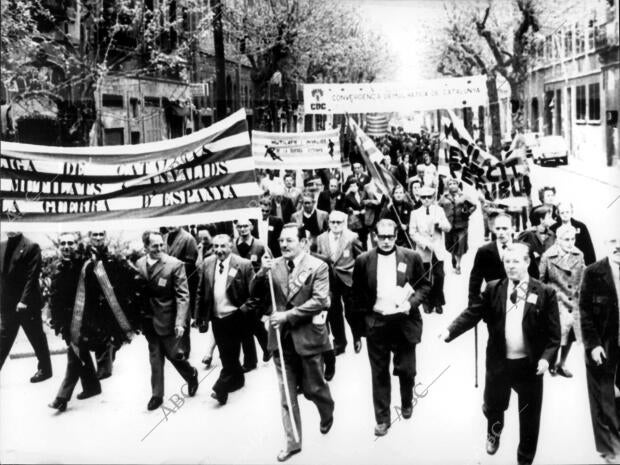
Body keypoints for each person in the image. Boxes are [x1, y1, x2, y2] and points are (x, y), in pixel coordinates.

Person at [440, 243, 561, 465]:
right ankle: (494, 434)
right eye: (507, 261)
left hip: (530, 366)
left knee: (530, 415)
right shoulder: (494, 288)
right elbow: (473, 313)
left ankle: (525, 457)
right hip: (500, 363)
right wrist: (450, 330)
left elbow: (554, 337)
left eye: (516, 261)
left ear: (527, 262)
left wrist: (546, 359)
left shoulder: (545, 293)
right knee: (494, 406)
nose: (511, 266)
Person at [252, 223, 334, 462]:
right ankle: (293, 442)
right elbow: (254, 292)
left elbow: (320, 300)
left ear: (303, 242)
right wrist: (260, 273)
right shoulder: (273, 265)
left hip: (308, 336)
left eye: (289, 240)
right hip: (281, 340)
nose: (284, 245)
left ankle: (327, 410)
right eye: (281, 241)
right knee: (287, 396)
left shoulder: (318, 267)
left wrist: (287, 315)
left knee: (313, 389)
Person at [352, 219, 430, 436]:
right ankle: (382, 418)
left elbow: (424, 285)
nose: (386, 241)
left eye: (390, 237)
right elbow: (356, 296)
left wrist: (410, 303)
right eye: (382, 237)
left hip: (404, 321)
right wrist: (358, 330)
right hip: (376, 322)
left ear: (397, 236)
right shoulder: (363, 260)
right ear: (375, 236)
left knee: (406, 369)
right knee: (378, 372)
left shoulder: (411, 257)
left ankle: (406, 401)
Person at [137, 231, 198, 410]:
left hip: (168, 319)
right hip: (148, 320)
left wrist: (180, 322)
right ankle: (157, 395)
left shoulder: (174, 264)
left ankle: (191, 374)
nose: (159, 248)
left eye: (161, 245)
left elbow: (183, 295)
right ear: (146, 247)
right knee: (155, 357)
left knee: (173, 356)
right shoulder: (140, 263)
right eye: (154, 246)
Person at [194, 234, 256, 405]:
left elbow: (255, 294)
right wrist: (199, 316)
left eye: (223, 246)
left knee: (230, 353)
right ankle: (238, 380)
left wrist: (243, 312)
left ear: (230, 246)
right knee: (225, 353)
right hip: (216, 317)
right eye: (215, 246)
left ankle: (220, 389)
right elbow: (201, 290)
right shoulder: (207, 263)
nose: (219, 250)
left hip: (235, 316)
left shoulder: (243, 264)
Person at [579, 228, 620, 464]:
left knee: (617, 396)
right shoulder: (593, 273)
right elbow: (584, 312)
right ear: (606, 243)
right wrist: (593, 345)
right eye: (614, 241)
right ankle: (608, 449)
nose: (618, 248)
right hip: (603, 345)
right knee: (603, 398)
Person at [48, 233, 101, 412]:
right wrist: (54, 318)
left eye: (70, 243)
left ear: (77, 245)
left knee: (74, 356)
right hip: (66, 321)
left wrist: (91, 321)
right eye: (63, 243)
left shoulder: (84, 266)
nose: (66, 246)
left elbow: (94, 296)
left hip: (83, 320)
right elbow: (54, 296)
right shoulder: (57, 266)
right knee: (81, 354)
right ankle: (92, 386)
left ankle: (62, 397)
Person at [81, 230, 142, 380]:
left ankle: (109, 354)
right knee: (97, 335)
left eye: (101, 234)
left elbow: (122, 276)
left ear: (105, 236)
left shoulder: (112, 257)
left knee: (116, 335)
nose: (98, 238)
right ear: (90, 237)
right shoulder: (84, 256)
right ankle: (103, 368)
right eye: (94, 235)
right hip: (92, 304)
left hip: (111, 303)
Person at [0, 231, 52, 382]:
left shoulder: (31, 247)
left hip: (27, 304)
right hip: (7, 304)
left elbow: (32, 277)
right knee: (3, 340)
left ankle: (45, 369)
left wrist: (24, 300)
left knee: (36, 337)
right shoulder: (1, 246)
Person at [314, 210, 365, 357]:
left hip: (348, 279)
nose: (335, 225)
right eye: (332, 222)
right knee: (334, 311)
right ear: (328, 223)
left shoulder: (351, 237)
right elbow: (319, 259)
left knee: (351, 311)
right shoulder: (321, 238)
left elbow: (360, 258)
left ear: (344, 223)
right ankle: (340, 342)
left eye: (339, 222)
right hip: (329, 280)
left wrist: (358, 278)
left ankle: (356, 335)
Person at [539, 224, 585, 378]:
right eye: (566, 239)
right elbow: (541, 280)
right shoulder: (548, 256)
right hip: (556, 302)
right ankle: (551, 362)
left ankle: (562, 363)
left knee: (571, 335)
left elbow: (583, 276)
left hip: (573, 301)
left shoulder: (578, 255)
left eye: (573, 239)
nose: (570, 242)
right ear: (558, 240)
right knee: (556, 335)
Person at [231, 216, 270, 372]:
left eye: (245, 226)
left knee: (253, 323)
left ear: (251, 227)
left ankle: (262, 352)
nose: (242, 229)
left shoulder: (260, 246)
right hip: (239, 291)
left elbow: (269, 265)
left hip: (257, 290)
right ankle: (255, 357)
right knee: (247, 325)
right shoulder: (233, 246)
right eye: (239, 226)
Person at [409, 186, 451, 314]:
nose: (426, 199)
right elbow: (412, 232)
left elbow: (448, 228)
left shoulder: (439, 211)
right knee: (425, 278)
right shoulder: (415, 213)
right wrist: (425, 244)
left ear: (433, 198)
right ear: (420, 199)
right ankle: (427, 303)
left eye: (429, 197)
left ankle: (438, 301)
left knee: (439, 276)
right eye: (423, 197)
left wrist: (440, 224)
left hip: (437, 250)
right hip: (423, 251)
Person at [468, 212, 514, 306]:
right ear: (493, 229)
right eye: (498, 228)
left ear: (513, 228)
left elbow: (533, 278)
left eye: (505, 228)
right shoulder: (484, 252)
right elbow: (475, 282)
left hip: (517, 304)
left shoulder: (523, 248)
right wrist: (473, 306)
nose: (501, 232)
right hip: (493, 304)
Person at [439, 178, 477, 274]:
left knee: (460, 244)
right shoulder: (444, 197)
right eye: (450, 184)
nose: (452, 185)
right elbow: (438, 208)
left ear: (458, 185)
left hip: (462, 225)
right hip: (449, 226)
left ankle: (458, 265)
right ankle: (453, 258)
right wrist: (441, 219)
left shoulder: (464, 196)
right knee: (450, 245)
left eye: (454, 183)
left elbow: (474, 205)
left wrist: (467, 212)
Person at [551, 201, 596, 266]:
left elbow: (588, 248)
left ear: (571, 212)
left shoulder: (581, 226)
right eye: (562, 212)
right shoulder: (553, 229)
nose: (565, 214)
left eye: (567, 212)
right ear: (558, 214)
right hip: (560, 265)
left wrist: (591, 267)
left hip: (580, 263)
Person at [517, 205, 556, 279]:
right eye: (549, 217)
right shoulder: (529, 233)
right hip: (531, 272)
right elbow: (517, 247)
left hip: (547, 273)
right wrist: (530, 253)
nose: (551, 220)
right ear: (541, 219)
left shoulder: (552, 235)